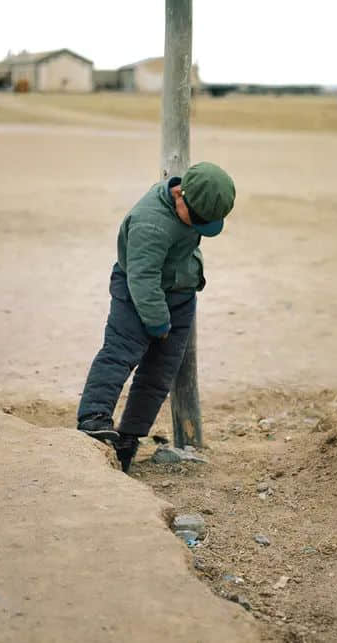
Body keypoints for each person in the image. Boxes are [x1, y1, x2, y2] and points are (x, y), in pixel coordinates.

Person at [77, 161, 236, 472]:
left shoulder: (189, 206)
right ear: (180, 195)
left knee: (160, 372)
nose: (199, 226)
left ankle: (128, 439)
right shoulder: (151, 224)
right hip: (138, 294)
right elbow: (142, 278)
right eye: (199, 219)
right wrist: (158, 322)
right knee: (120, 352)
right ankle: (93, 419)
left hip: (178, 293)